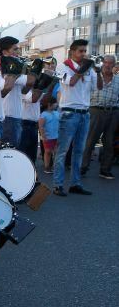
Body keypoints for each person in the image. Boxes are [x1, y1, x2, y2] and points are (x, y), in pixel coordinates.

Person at [52, 39, 102, 196]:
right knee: (63, 151)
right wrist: (83, 69)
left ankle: (75, 183)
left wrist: (98, 71)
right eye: (80, 51)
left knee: (79, 151)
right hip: (69, 113)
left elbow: (98, 87)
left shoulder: (89, 68)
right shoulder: (63, 66)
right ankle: (58, 185)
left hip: (84, 114)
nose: (83, 54)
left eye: (84, 51)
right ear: (72, 52)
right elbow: (71, 82)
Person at [81, 54, 117, 180]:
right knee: (90, 141)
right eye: (105, 62)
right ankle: (82, 167)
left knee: (109, 142)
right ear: (102, 63)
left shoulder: (117, 80)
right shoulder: (94, 77)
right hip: (95, 110)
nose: (107, 65)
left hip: (113, 112)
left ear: (114, 65)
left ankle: (105, 170)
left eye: (110, 63)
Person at [0, 36, 35, 147]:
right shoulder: (7, 69)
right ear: (5, 52)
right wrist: (34, 71)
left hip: (15, 116)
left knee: (14, 151)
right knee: (10, 153)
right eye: (15, 49)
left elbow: (25, 90)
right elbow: (30, 80)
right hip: (8, 117)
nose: (18, 52)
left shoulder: (14, 68)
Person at [39, 95, 60, 173]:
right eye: (55, 103)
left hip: (56, 136)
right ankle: (47, 167)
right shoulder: (43, 114)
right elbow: (41, 126)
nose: (56, 104)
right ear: (49, 104)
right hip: (48, 137)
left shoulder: (57, 113)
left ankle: (55, 166)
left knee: (56, 152)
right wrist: (43, 135)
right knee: (48, 152)